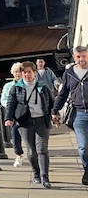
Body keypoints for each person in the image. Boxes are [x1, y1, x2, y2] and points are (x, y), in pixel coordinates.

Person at [6, 61, 54, 187]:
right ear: (22, 74)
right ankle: (36, 173)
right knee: (32, 151)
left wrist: (54, 115)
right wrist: (8, 118)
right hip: (25, 123)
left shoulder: (42, 86)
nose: (27, 74)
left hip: (41, 121)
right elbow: (11, 104)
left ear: (34, 73)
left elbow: (51, 102)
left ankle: (45, 177)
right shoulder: (16, 88)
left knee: (42, 149)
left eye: (29, 72)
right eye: (24, 72)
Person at [52, 46, 88, 185]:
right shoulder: (69, 73)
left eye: (84, 56)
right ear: (74, 57)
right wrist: (55, 111)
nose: (81, 59)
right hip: (80, 113)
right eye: (78, 57)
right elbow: (63, 94)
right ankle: (87, 169)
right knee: (83, 146)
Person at [0, 62, 26, 165]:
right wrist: (12, 106)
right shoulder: (8, 86)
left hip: (26, 113)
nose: (17, 74)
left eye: (19, 71)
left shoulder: (27, 83)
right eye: (15, 72)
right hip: (14, 114)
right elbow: (3, 100)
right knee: (15, 136)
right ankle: (19, 155)